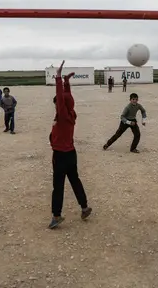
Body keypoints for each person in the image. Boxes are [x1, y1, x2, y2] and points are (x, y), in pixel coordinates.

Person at [49, 60, 92, 229]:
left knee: (58, 186)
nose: (56, 105)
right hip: (71, 154)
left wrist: (58, 78)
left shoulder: (62, 115)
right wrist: (67, 83)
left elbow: (61, 99)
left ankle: (56, 216)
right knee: (75, 180)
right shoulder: (71, 114)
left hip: (60, 156)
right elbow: (66, 99)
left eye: (56, 104)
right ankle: (84, 207)